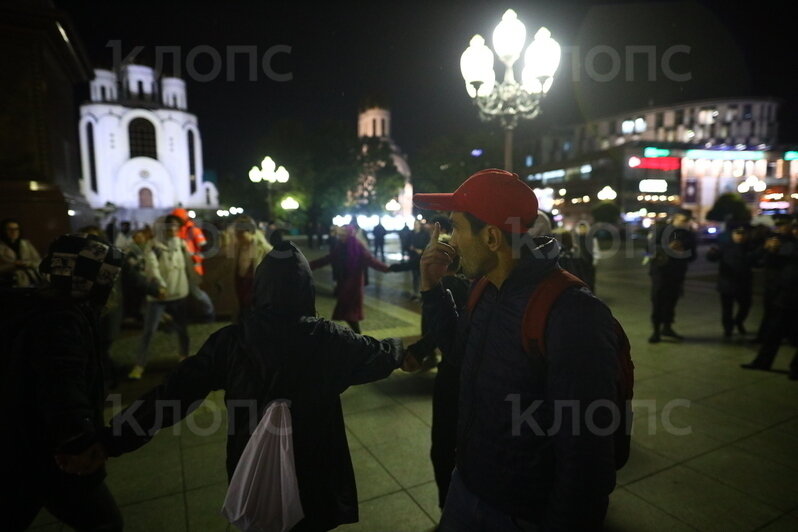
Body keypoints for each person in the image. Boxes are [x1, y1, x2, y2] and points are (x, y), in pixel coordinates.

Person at [101, 241, 418, 531]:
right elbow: (376, 353)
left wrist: (111, 440)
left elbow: (171, 396)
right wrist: (402, 352)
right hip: (316, 465)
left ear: (260, 289)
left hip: (252, 460)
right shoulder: (329, 339)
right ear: (305, 289)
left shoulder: (230, 343)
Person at [417, 168, 618, 531]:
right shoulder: (486, 289)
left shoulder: (570, 313)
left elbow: (586, 453)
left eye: (457, 228)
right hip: (468, 485)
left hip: (520, 511)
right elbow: (460, 358)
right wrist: (433, 290)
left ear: (492, 237)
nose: (451, 240)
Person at [1, 233, 124, 531]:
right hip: (50, 452)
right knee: (104, 523)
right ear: (92, 281)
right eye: (108, 280)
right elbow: (61, 386)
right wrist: (78, 442)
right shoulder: (63, 321)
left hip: (24, 446)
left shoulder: (44, 307)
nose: (112, 289)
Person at [406, 232, 469, 512]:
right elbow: (448, 335)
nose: (453, 239)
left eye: (459, 228)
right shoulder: (455, 282)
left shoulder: (485, 287)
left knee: (448, 450)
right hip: (450, 375)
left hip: (465, 383)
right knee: (442, 449)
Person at [129, 215, 192, 380]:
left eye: (175, 226)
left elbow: (189, 267)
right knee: (149, 331)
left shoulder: (182, 245)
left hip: (179, 292)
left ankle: (184, 358)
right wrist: (161, 285)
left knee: (182, 329)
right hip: (159, 295)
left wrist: (195, 284)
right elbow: (152, 267)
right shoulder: (154, 245)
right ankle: (140, 365)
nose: (172, 229)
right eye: (169, 226)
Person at [742, 221, 798, 380]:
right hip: (786, 294)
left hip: (788, 293)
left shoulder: (789, 245)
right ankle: (762, 361)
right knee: (774, 331)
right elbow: (766, 262)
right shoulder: (785, 242)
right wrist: (770, 250)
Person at [310, 224, 390, 334]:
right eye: (340, 233)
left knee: (350, 313)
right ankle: (358, 336)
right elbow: (328, 258)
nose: (340, 235)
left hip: (355, 285)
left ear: (349, 234)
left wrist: (388, 268)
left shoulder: (357, 246)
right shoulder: (340, 246)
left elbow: (370, 260)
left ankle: (359, 337)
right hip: (344, 283)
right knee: (348, 313)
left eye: (343, 233)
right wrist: (309, 265)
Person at [646, 210, 697, 343]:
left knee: (672, 300)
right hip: (660, 272)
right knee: (658, 300)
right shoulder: (661, 230)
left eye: (687, 221)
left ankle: (667, 327)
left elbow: (693, 255)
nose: (684, 223)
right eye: (682, 220)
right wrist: (667, 248)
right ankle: (656, 331)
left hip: (678, 273)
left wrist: (683, 249)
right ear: (675, 218)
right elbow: (649, 249)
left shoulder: (688, 235)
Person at [706, 226, 756, 338]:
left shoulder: (750, 247)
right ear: (732, 235)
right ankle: (728, 329)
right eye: (737, 234)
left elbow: (757, 261)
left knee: (746, 306)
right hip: (727, 283)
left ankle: (738, 322)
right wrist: (711, 253)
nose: (740, 236)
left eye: (742, 234)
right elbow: (713, 257)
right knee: (727, 309)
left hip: (744, 283)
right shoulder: (725, 247)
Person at [753, 216, 795, 343]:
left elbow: (786, 259)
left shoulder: (791, 241)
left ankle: (785, 336)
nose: (781, 228)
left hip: (785, 284)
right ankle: (763, 337)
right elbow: (757, 259)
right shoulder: (772, 238)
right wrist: (766, 248)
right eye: (779, 225)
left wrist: (775, 250)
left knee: (781, 312)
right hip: (771, 282)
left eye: (784, 225)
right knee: (769, 311)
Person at [171, 207, 215, 322]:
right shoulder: (181, 229)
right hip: (181, 265)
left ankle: (209, 313)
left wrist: (192, 255)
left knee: (195, 291)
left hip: (192, 265)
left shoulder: (192, 229)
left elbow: (203, 245)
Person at [231, 215, 273, 317]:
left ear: (250, 232)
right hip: (242, 286)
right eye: (237, 233)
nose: (238, 237)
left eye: (241, 234)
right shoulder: (238, 246)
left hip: (256, 290)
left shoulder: (264, 248)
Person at [0, 218, 42, 288]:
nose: (14, 232)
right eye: (9, 229)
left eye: (16, 229)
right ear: (3, 231)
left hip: (31, 280)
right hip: (9, 283)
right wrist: (13, 265)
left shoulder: (25, 244)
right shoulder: (1, 247)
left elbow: (38, 261)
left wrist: (27, 263)